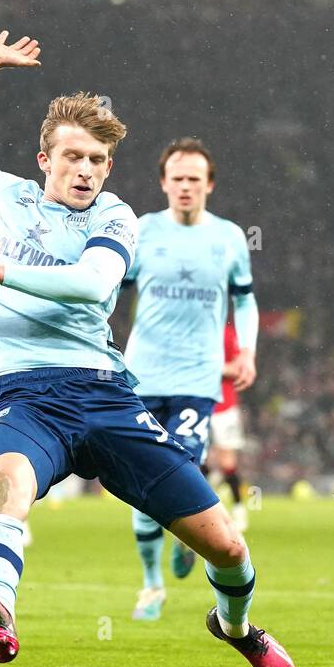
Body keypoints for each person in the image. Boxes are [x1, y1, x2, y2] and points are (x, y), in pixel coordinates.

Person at [0, 31, 293, 667]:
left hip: (106, 396)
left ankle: (234, 626)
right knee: (5, 485)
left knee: (226, 546)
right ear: (44, 158)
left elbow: (91, 285)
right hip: (25, 396)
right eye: (74, 157)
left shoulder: (116, 218)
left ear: (110, 169)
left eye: (98, 160)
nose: (86, 170)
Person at [122, 138, 257, 621]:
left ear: (209, 185)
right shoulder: (140, 230)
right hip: (140, 375)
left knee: (178, 471)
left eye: (194, 180)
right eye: (176, 178)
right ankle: (152, 585)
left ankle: (184, 537)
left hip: (198, 379)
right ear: (163, 183)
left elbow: (244, 299)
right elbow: (108, 289)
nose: (185, 187)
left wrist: (246, 351)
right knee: (140, 478)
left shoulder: (229, 237)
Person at [209, 320, 252, 533]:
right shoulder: (191, 327)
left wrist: (209, 366)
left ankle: (238, 509)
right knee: (196, 461)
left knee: (227, 463)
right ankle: (202, 513)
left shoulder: (227, 332)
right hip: (196, 403)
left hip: (224, 407)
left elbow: (238, 368)